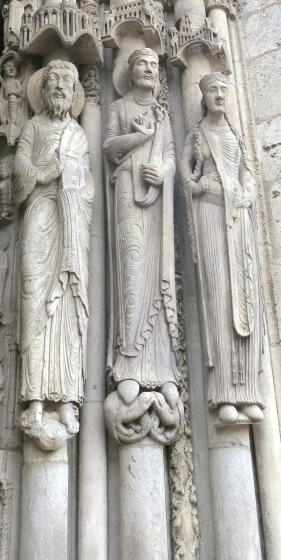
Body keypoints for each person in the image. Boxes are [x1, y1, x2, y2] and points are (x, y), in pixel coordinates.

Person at [13, 60, 93, 450]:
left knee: (67, 309)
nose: (61, 86)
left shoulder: (78, 134)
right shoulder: (33, 127)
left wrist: (74, 188)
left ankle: (66, 399)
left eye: (68, 80)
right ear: (43, 90)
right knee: (33, 297)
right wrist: (46, 173)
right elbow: (19, 168)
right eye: (54, 80)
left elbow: (90, 187)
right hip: (40, 213)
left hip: (70, 222)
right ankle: (34, 399)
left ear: (75, 91)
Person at [103, 48, 182, 431]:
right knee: (132, 276)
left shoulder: (164, 114)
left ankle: (162, 366)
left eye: (154, 65)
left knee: (159, 276)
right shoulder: (118, 107)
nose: (149, 69)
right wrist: (138, 138)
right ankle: (130, 362)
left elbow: (169, 155)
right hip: (126, 200)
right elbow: (109, 149)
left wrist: (162, 172)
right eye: (142, 64)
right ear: (129, 72)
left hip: (154, 201)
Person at [178, 73, 264, 425]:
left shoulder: (234, 135)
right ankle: (224, 392)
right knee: (219, 296)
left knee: (245, 296)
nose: (218, 95)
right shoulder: (198, 133)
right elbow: (185, 168)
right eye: (212, 90)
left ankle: (249, 393)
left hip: (239, 218)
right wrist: (195, 186)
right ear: (203, 96)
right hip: (212, 213)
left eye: (222, 91)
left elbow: (247, 172)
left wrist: (248, 191)